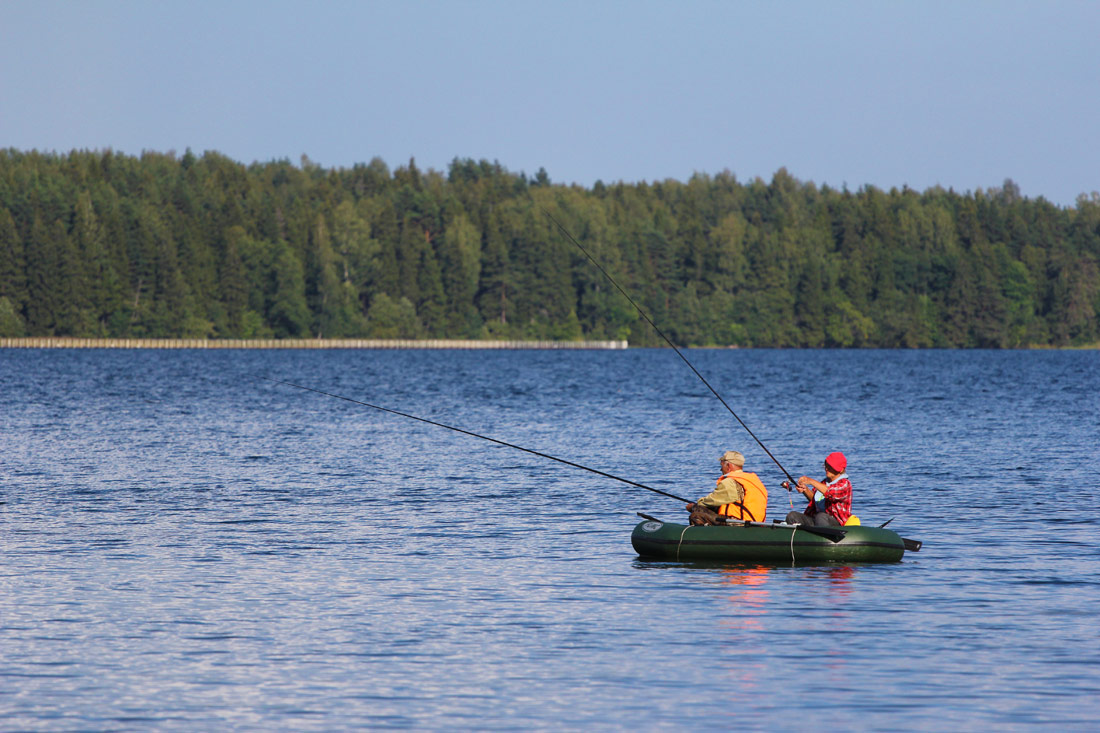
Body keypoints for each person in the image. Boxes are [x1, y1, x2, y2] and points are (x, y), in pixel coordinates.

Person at [685, 451, 768, 525]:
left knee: (696, 515)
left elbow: (712, 500)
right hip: (755, 522)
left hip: (739, 522)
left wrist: (693, 507)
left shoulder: (729, 482)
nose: (720, 469)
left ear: (728, 465)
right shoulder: (753, 481)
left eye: (721, 465)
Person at [783, 451, 853, 527]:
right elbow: (813, 499)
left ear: (841, 470)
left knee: (821, 517)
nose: (826, 469)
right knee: (792, 516)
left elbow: (830, 493)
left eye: (830, 467)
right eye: (826, 466)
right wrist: (805, 490)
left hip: (836, 523)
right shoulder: (824, 483)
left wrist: (810, 481)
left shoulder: (845, 484)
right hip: (817, 520)